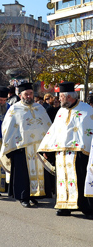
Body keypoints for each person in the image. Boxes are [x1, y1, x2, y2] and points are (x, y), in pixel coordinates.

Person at [39, 82, 93, 218]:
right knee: (62, 180)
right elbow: (54, 131)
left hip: (79, 153)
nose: (58, 99)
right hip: (61, 153)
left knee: (80, 180)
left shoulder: (86, 110)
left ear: (68, 96)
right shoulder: (61, 111)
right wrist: (48, 148)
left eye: (61, 96)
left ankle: (85, 206)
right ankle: (64, 206)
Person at [0, 83, 52, 208]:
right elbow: (7, 128)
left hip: (38, 147)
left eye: (31, 94)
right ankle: (23, 197)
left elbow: (48, 126)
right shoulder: (14, 109)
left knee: (39, 173)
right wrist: (11, 145)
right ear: (20, 95)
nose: (29, 96)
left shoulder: (40, 108)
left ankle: (35, 195)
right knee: (23, 174)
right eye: (26, 94)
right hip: (21, 147)